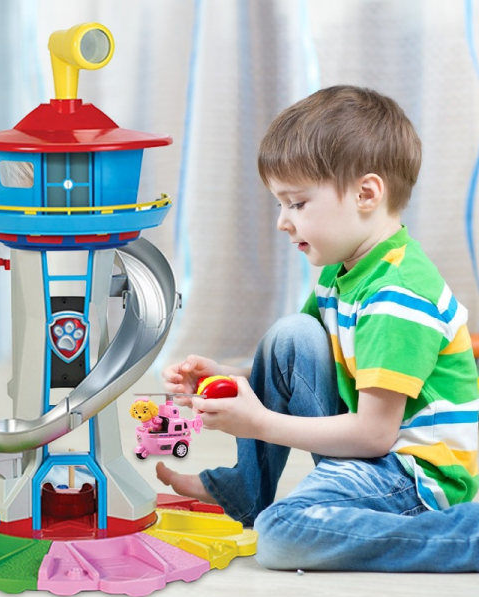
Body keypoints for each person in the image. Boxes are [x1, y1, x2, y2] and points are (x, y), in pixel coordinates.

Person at [156, 85, 479, 572]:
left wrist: (257, 422)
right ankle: (246, 489)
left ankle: (464, 535)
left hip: (413, 477)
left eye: (298, 203)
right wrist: (228, 376)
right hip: (372, 454)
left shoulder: (398, 294)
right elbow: (299, 367)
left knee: (281, 535)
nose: (283, 222)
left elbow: (374, 435)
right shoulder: (342, 272)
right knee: (292, 336)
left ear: (366, 194)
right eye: (280, 205)